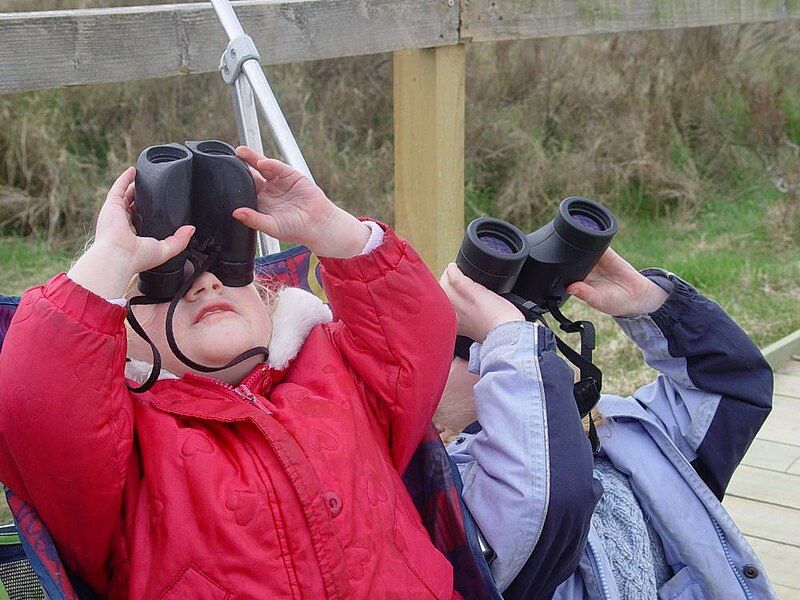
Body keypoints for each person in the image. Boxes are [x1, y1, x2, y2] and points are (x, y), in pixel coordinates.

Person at [0, 147, 459, 599]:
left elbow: (419, 334)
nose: (205, 282)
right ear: (122, 341)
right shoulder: (123, 442)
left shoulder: (337, 371)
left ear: (268, 298)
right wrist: (112, 257)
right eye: (165, 286)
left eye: (229, 272)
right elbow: (38, 405)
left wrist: (329, 229)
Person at [436, 248, 775, 599]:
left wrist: (649, 304)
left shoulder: (630, 433)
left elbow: (729, 383)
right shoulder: (453, 493)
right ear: (438, 430)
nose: (489, 350)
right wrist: (506, 337)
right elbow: (547, 501)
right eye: (460, 347)